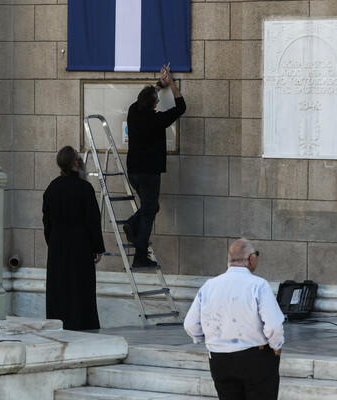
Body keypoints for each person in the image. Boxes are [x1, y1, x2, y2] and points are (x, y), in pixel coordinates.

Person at [184, 238, 285, 400]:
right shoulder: (259, 285)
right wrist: (276, 346)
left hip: (219, 359)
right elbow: (273, 326)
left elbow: (190, 324)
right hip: (255, 358)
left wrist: (207, 340)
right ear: (251, 258)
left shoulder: (209, 286)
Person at [123, 65, 186, 267]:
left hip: (133, 170)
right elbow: (181, 107)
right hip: (149, 173)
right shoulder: (156, 120)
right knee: (149, 211)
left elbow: (145, 99)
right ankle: (140, 256)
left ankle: (132, 225)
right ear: (154, 105)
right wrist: (172, 84)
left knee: (151, 207)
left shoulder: (133, 111)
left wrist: (160, 84)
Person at [42, 146, 105, 330]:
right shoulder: (84, 188)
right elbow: (93, 220)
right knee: (80, 286)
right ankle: (82, 324)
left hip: (57, 243)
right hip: (80, 243)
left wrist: (53, 242)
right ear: (76, 163)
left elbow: (47, 222)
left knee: (59, 288)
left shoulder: (51, 188)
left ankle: (59, 324)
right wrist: (98, 247)